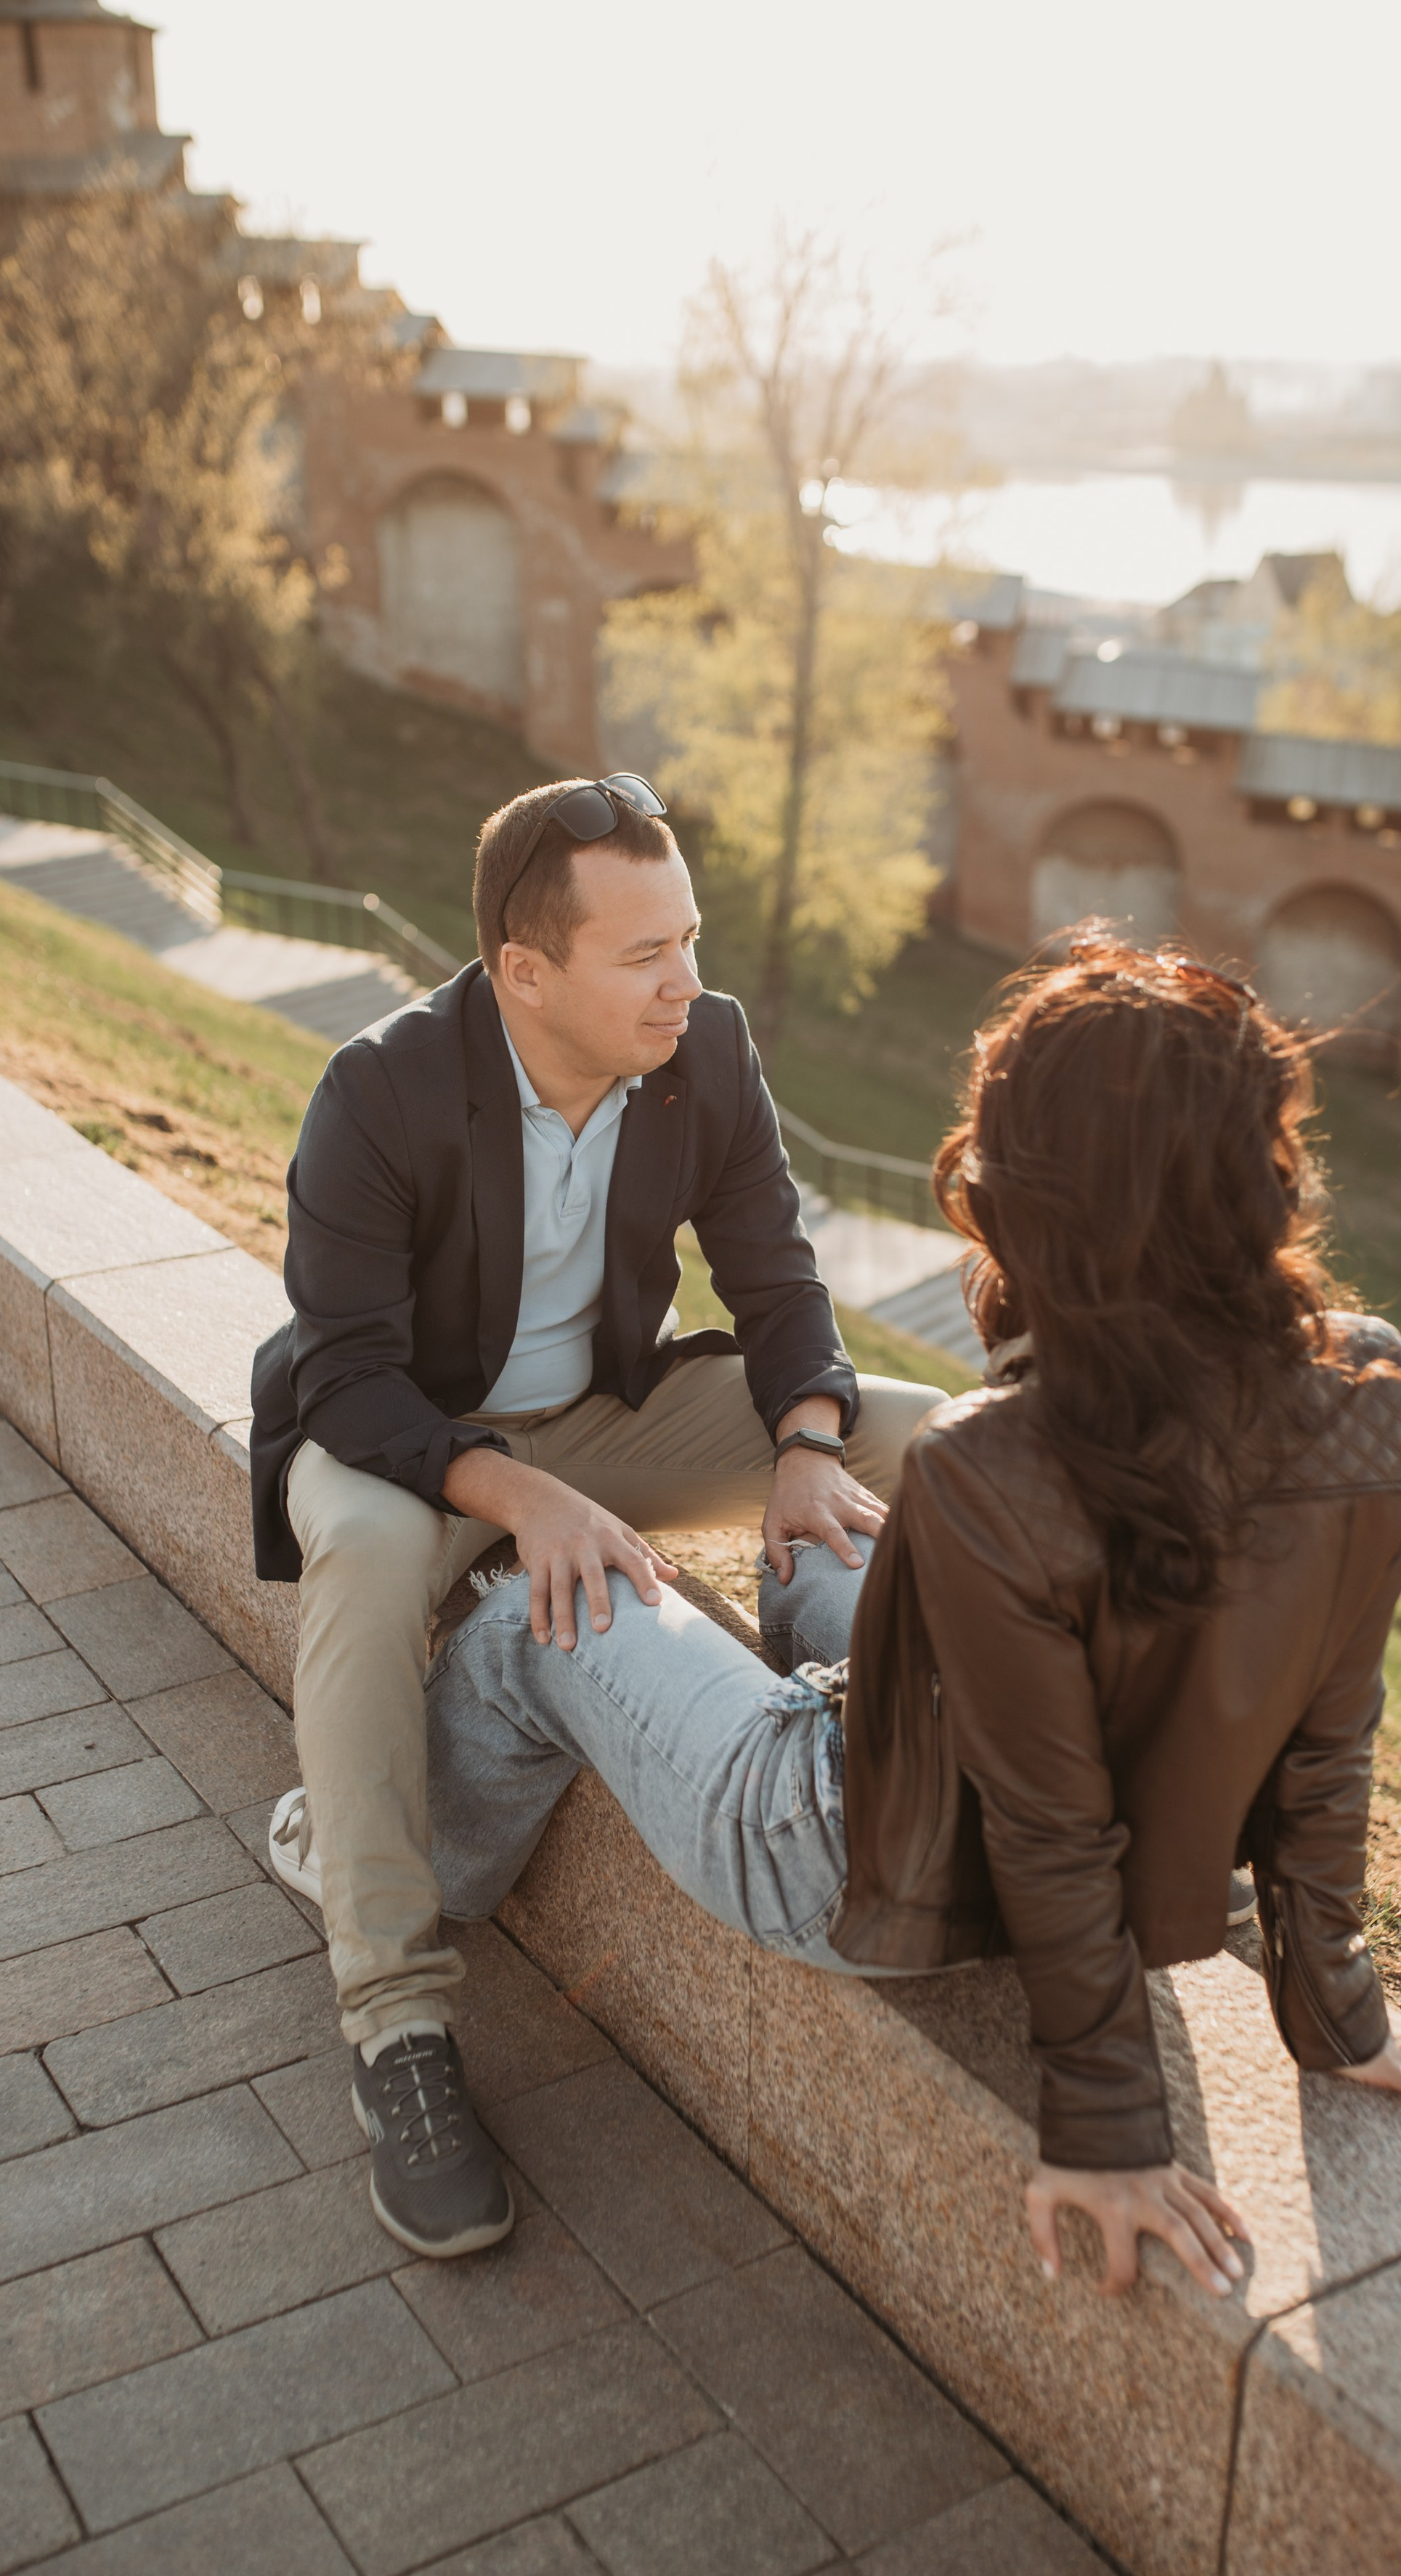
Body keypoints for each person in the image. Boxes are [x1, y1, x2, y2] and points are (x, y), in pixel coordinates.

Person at [422, 929, 1401, 2300]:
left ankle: (402, 1866)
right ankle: (762, 1631)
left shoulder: (994, 1458)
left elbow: (1049, 1821)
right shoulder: (1380, 1395)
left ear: (1032, 1189)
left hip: (836, 1852)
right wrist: (1335, 2014)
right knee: (818, 1532)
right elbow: (1332, 1731)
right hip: (1063, 1814)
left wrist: (1107, 2131)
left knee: (553, 1597)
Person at [251, 772, 944, 2259]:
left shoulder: (708, 1050)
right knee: (365, 1565)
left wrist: (811, 1443)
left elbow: (774, 1273)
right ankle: (394, 2021)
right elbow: (346, 1376)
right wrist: (513, 1491)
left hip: (619, 1416)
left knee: (935, 1440)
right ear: (524, 971)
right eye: (646, 955)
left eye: (689, 938)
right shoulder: (377, 1090)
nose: (685, 983)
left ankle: (937, 1713)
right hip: (408, 1440)